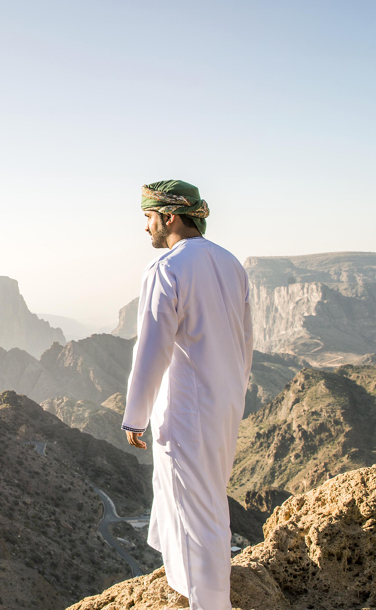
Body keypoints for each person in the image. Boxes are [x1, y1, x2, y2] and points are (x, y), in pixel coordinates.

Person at [122, 180, 253, 610]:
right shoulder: (231, 263)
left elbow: (151, 348)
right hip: (224, 404)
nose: (146, 227)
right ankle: (189, 585)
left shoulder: (167, 268)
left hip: (186, 410)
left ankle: (209, 601)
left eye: (149, 217)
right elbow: (245, 340)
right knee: (205, 498)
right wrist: (234, 394)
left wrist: (135, 415)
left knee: (196, 513)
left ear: (170, 216)